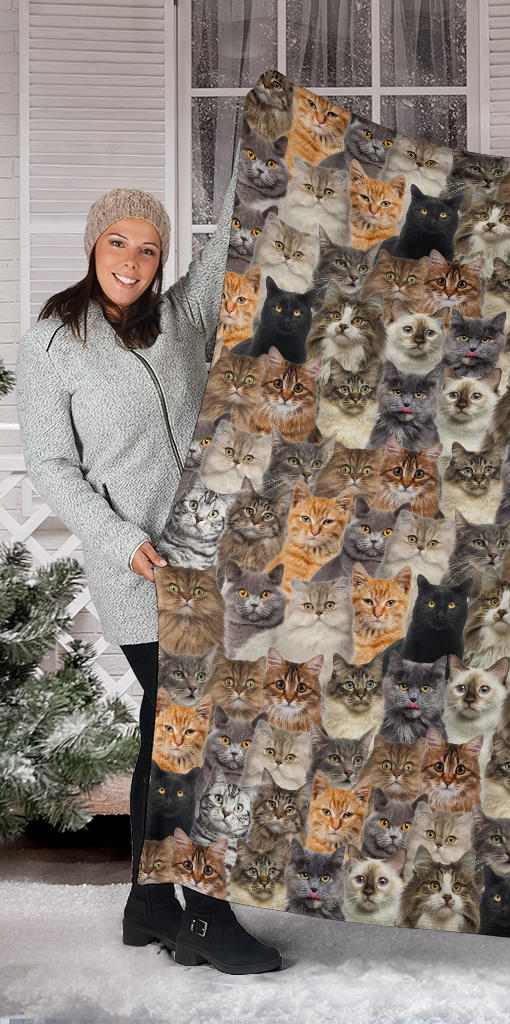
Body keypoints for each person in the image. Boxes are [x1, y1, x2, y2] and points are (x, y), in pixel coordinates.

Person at [15, 156, 284, 975]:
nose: (131, 261)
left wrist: (266, 137)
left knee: (166, 733)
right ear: (93, 245)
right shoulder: (53, 341)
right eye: (118, 242)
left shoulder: (183, 316)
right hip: (138, 567)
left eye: (148, 248)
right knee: (191, 731)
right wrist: (116, 536)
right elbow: (52, 464)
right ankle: (204, 912)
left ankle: (147, 905)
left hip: (211, 555)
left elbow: (233, 234)